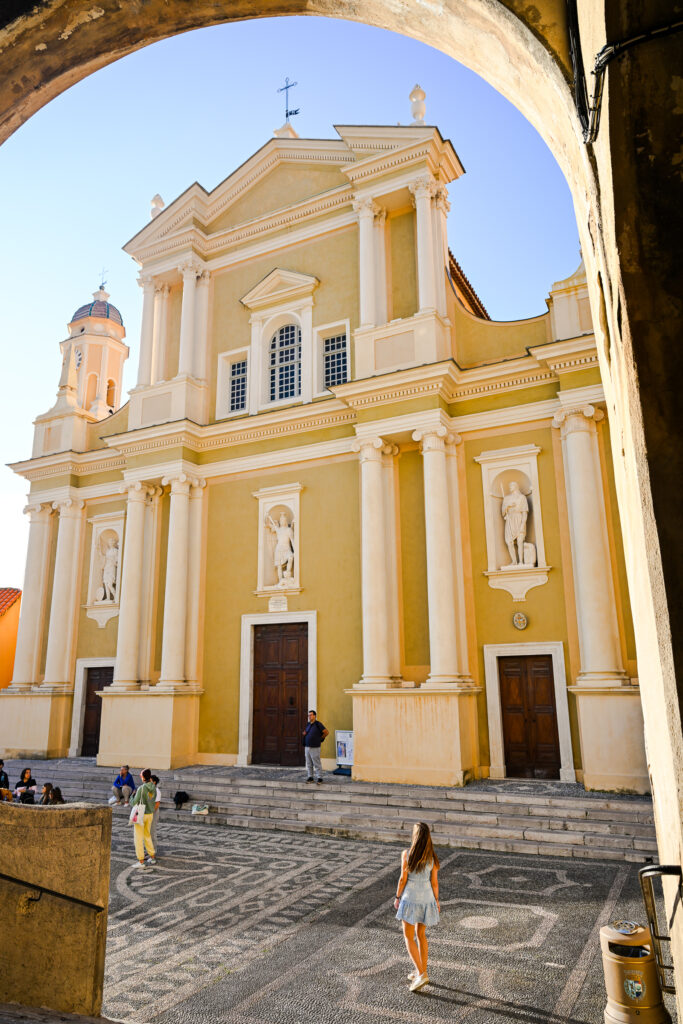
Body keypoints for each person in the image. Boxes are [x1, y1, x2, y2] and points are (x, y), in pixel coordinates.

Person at [393, 822, 440, 993]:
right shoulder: (432, 857)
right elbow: (434, 882)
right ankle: (422, 970)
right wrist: (436, 901)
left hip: (410, 898)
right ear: (428, 837)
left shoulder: (406, 855)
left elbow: (402, 880)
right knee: (421, 935)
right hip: (427, 898)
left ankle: (421, 974)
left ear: (415, 836)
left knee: (408, 936)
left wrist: (397, 897)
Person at [130, 769, 157, 869]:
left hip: (141, 813)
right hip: (150, 813)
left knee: (138, 837)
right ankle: (152, 857)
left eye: (141, 775)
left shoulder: (142, 788)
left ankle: (141, 861)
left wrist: (131, 796)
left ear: (143, 777)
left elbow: (134, 802)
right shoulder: (153, 786)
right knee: (147, 835)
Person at [302, 710, 328, 784]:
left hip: (315, 747)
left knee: (316, 763)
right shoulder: (308, 724)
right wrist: (304, 734)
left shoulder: (318, 724)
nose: (309, 716)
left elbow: (326, 732)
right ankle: (310, 777)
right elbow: (306, 732)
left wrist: (320, 739)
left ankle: (320, 778)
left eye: (311, 715)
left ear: (314, 716)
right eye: (309, 715)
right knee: (309, 763)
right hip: (307, 746)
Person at [150, 774, 162, 858]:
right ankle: (149, 850)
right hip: (147, 812)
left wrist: (149, 812)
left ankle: (153, 851)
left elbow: (157, 804)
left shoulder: (156, 791)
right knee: (147, 833)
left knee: (152, 832)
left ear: (154, 782)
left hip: (152, 812)